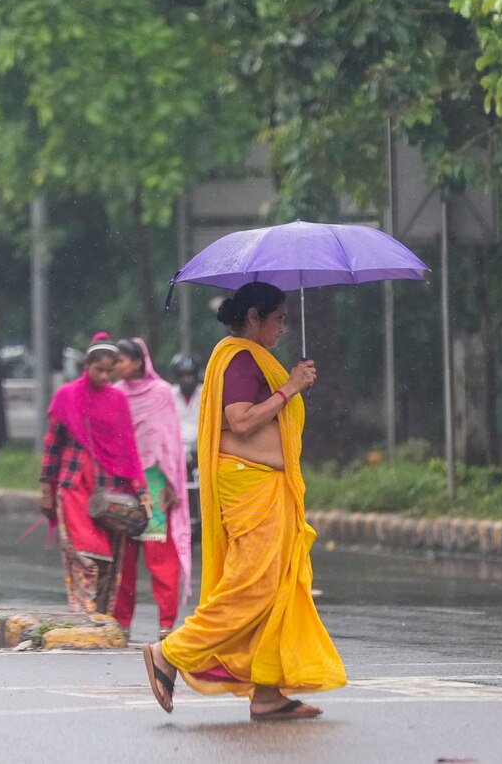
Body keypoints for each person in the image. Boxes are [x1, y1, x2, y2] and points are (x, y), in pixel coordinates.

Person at [142, 281, 345, 722]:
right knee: (251, 587)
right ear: (254, 317)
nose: (283, 328)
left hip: (264, 486)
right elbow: (241, 420)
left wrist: (287, 384)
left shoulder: (249, 358)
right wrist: (289, 386)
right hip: (249, 485)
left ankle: (268, 692)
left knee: (276, 589)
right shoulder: (239, 357)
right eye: (279, 319)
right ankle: (169, 653)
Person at [40, 334, 153, 619]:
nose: (104, 376)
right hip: (74, 484)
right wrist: (45, 489)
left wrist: (141, 490)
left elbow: (128, 449)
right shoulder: (66, 396)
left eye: (109, 371)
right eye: (98, 370)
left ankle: (101, 616)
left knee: (107, 557)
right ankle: (84, 612)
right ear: (86, 365)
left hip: (110, 490)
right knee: (82, 552)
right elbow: (52, 446)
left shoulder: (117, 400)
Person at [110, 338, 193, 641]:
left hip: (155, 481)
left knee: (160, 557)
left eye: (121, 360)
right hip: (122, 480)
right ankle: (120, 622)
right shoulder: (115, 394)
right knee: (124, 558)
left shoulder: (161, 394)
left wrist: (172, 484)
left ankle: (166, 624)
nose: (117, 365)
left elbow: (170, 441)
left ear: (138, 361)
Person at [168, 353, 203, 532]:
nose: (187, 379)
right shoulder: (169, 395)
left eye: (191, 375)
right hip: (177, 451)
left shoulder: (206, 393)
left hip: (201, 449)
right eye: (183, 375)